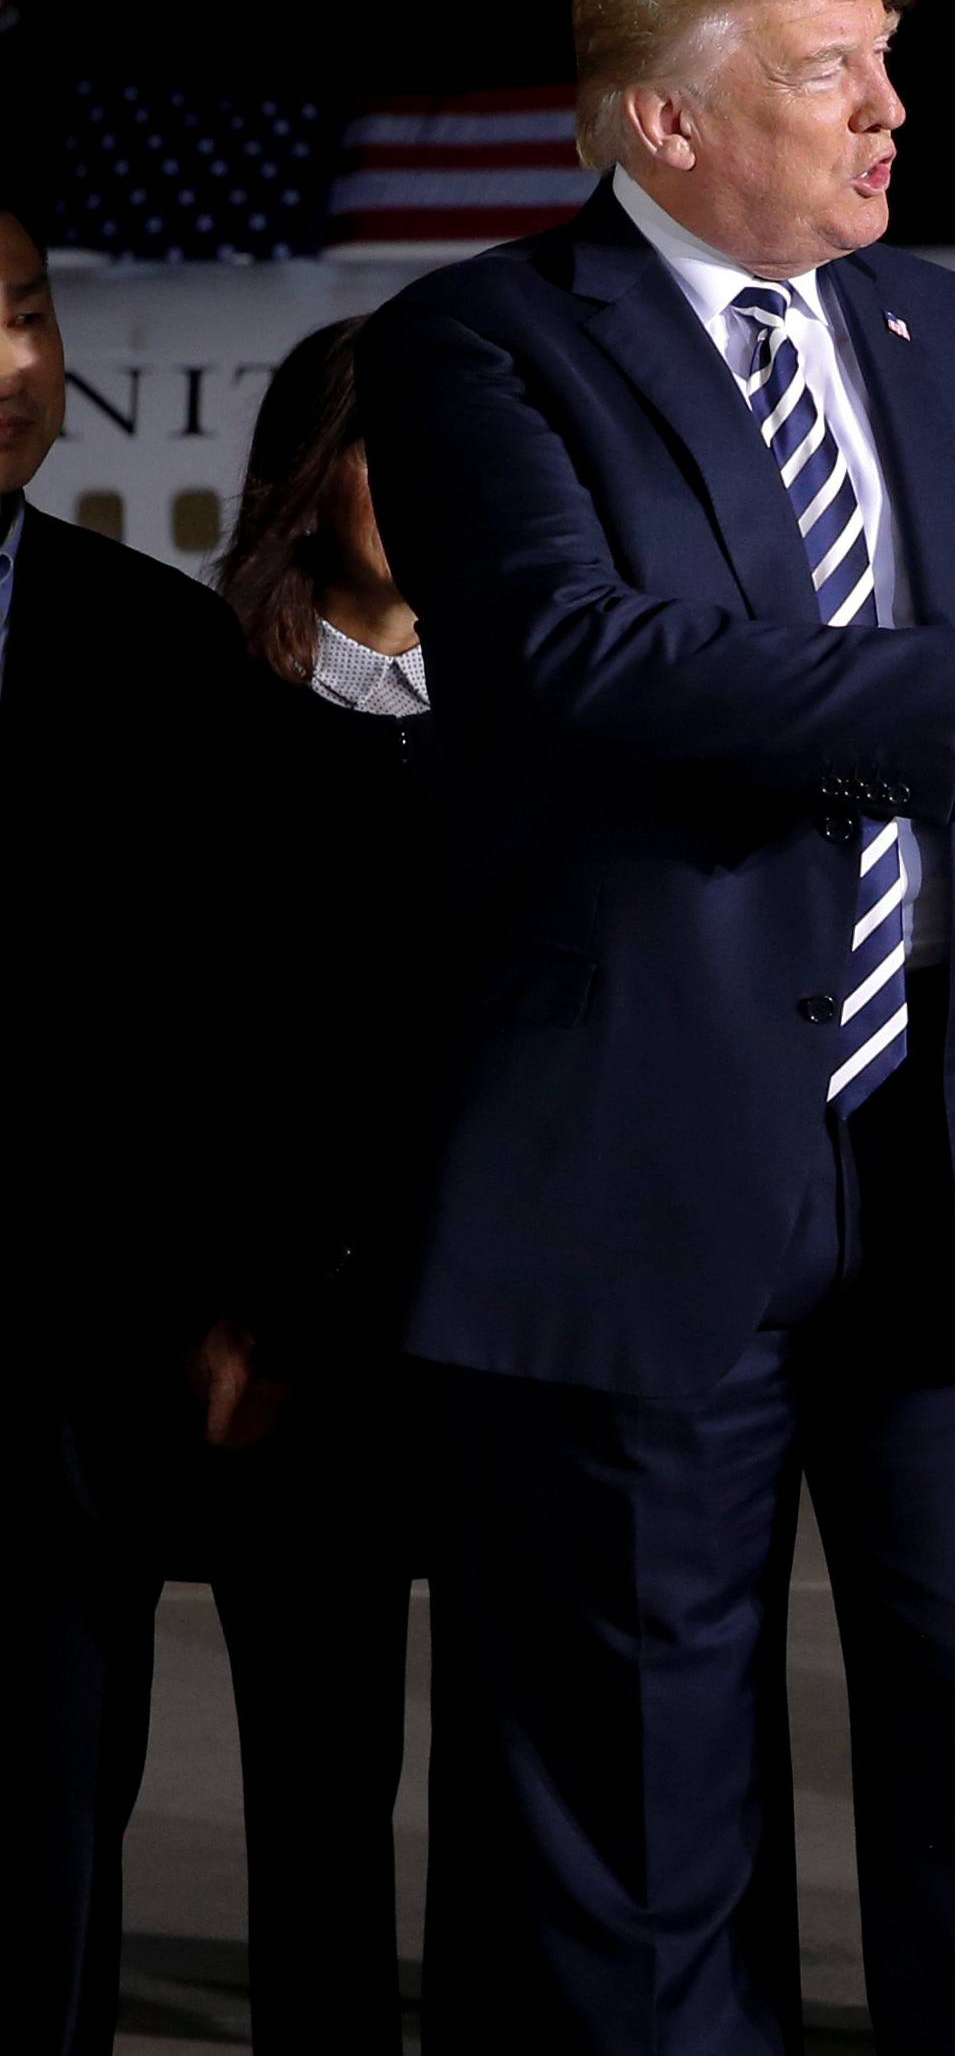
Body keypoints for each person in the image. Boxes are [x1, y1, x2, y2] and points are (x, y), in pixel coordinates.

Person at [354, 0, 955, 2055]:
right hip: (642, 1172)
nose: (892, 117)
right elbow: (579, 661)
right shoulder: (479, 345)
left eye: (890, 65)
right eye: (839, 70)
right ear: (670, 116)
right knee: (647, 1785)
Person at [5, 193, 278, 2053]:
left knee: (43, 1844)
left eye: (29, 312)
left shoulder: (156, 651)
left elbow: (242, 1019)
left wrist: (240, 1297)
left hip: (66, 1379)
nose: (16, 367)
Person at [186, 314, 442, 2055]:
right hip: (300, 1328)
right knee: (321, 1762)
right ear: (306, 473)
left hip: (510, 1320)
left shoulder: (543, 700)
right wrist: (233, 1303)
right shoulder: (209, 712)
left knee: (528, 1764)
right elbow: (186, 1052)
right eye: (386, 447)